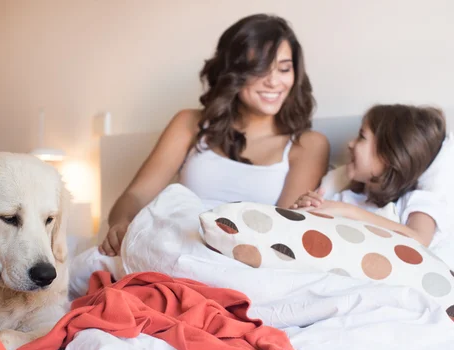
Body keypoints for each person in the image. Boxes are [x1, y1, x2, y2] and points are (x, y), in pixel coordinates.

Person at [99, 14, 330, 257]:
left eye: (284, 68)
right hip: (174, 246)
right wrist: (121, 224)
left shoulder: (307, 145)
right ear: (233, 72)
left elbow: (281, 231)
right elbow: (135, 195)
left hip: (244, 258)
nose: (274, 82)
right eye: (260, 69)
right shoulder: (190, 124)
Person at [291, 104, 448, 248]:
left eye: (361, 136)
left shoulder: (417, 200)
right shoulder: (343, 197)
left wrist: (348, 212)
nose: (350, 144)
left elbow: (419, 240)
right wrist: (300, 211)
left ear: (388, 155)